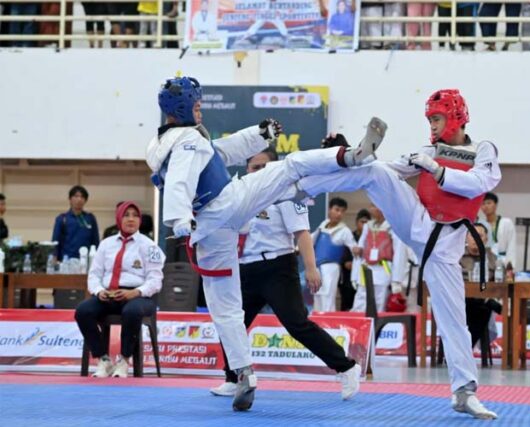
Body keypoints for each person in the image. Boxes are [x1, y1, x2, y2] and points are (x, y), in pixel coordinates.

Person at [146, 76, 385, 411]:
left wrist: (257, 135)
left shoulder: (173, 141)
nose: (200, 108)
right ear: (183, 106)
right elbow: (180, 181)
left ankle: (243, 374)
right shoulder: (186, 141)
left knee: (226, 309)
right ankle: (352, 156)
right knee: (292, 166)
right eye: (197, 103)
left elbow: (222, 153)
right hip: (227, 207)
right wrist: (178, 218)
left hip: (213, 232)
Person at [293, 89, 500, 419]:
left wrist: (436, 169)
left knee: (454, 322)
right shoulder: (427, 150)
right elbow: (392, 171)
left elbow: (480, 182)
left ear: (457, 116)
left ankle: (464, 392)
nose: (431, 126)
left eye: (437, 118)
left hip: (444, 248)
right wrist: (353, 156)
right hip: (417, 222)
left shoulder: (481, 149)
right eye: (429, 119)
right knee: (375, 172)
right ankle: (308, 183)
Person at [209, 147, 360, 399]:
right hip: (244, 268)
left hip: (277, 267)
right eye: (253, 167)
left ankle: (346, 367)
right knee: (231, 323)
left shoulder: (287, 191)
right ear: (246, 169)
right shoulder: (238, 193)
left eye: (263, 167)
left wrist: (311, 268)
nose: (258, 172)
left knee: (297, 324)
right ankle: (233, 378)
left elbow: (301, 232)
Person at [74, 202, 165, 378]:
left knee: (131, 311)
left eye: (135, 215)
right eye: (126, 215)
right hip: (109, 294)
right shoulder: (106, 244)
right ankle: (103, 360)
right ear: (118, 218)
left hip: (140, 297)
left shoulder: (150, 246)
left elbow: (156, 280)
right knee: (83, 311)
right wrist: (99, 291)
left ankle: (124, 360)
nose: (131, 219)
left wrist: (135, 292)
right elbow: (94, 275)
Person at [351, 203, 403, 312]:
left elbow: (399, 254)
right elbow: (360, 249)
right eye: (371, 205)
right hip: (367, 268)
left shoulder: (393, 227)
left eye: (374, 206)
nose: (371, 209)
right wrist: (354, 276)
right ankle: (358, 326)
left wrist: (396, 280)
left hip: (383, 268)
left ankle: (376, 327)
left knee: (380, 302)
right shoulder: (367, 226)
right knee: (360, 300)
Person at [312, 197, 357, 312]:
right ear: (329, 209)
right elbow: (312, 238)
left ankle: (328, 325)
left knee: (328, 296)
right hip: (317, 266)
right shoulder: (323, 225)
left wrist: (357, 250)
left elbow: (354, 246)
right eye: (337, 210)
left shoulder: (344, 230)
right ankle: (316, 323)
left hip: (331, 267)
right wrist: (298, 248)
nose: (339, 214)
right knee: (317, 295)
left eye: (342, 211)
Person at [459, 223, 500, 349]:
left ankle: (465, 348)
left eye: (480, 236)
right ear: (466, 237)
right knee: (478, 306)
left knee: (484, 308)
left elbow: (499, 281)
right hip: (460, 300)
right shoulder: (457, 256)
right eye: (472, 235)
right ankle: (462, 348)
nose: (476, 239)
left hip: (484, 301)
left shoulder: (492, 258)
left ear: (486, 239)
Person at [52, 185, 101, 261]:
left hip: (86, 260)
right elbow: (55, 241)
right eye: (76, 196)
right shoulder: (62, 218)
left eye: (82, 197)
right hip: (66, 260)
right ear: (70, 199)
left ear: (85, 200)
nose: (79, 199)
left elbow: (95, 241)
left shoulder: (90, 218)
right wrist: (54, 258)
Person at [339, 209, 370, 311]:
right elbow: (343, 252)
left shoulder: (371, 238)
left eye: (366, 222)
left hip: (364, 273)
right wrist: (346, 262)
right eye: (362, 222)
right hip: (348, 276)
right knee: (347, 303)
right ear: (357, 222)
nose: (364, 225)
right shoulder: (349, 235)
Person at [479, 192, 515, 271]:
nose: (486, 206)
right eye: (483, 204)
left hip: (503, 261)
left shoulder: (506, 223)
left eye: (489, 203)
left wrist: (510, 266)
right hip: (486, 262)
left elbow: (511, 246)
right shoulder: (480, 225)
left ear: (495, 205)